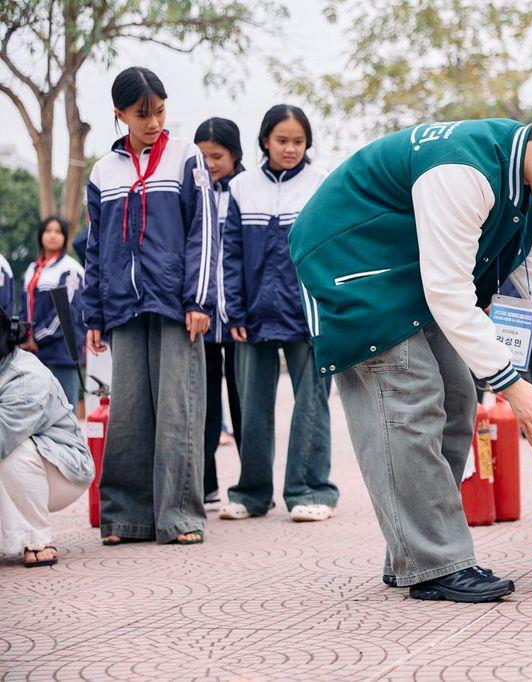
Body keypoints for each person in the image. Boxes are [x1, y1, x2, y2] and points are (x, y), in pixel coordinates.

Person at [289, 94, 532, 602]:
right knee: (410, 397)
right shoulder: (463, 171)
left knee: (458, 397)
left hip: (409, 274)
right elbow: (448, 291)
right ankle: (435, 564)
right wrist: (515, 387)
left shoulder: (529, 182)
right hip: (351, 267)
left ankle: (414, 551)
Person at [82, 66, 216, 546]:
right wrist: (93, 313)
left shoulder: (186, 158)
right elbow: (94, 247)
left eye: (159, 110)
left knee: (178, 410)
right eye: (141, 114)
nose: (153, 121)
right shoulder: (103, 171)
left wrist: (199, 299)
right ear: (120, 115)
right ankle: (126, 517)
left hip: (176, 304)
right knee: (129, 414)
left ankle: (179, 516)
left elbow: (204, 230)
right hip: (122, 307)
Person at [220, 104, 338, 523]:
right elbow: (229, 254)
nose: (290, 148)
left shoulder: (322, 185)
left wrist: (327, 308)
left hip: (308, 316)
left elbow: (332, 251)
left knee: (312, 404)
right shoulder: (241, 187)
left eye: (298, 141)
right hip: (252, 316)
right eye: (282, 140)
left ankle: (311, 490)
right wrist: (233, 309)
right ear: (264, 140)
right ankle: (251, 493)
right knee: (251, 406)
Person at [0, 307, 93, 567]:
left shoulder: (26, 377)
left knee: (13, 450)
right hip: (29, 466)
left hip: (63, 472)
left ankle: (37, 538)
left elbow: (2, 439)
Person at [194, 117, 245, 507]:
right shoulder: (192, 192)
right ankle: (206, 483)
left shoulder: (243, 193)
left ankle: (250, 484)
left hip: (239, 319)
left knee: (244, 402)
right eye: (203, 155)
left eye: (218, 156)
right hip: (204, 318)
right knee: (205, 405)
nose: (210, 163)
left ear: (235, 155)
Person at [19, 216, 86, 406]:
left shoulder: (70, 269)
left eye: (58, 231)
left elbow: (65, 314)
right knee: (36, 411)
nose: (53, 235)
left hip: (61, 353)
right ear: (41, 235)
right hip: (33, 354)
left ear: (65, 237)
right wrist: (23, 338)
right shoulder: (32, 269)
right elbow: (25, 308)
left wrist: (36, 338)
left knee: (64, 409)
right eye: (48, 231)